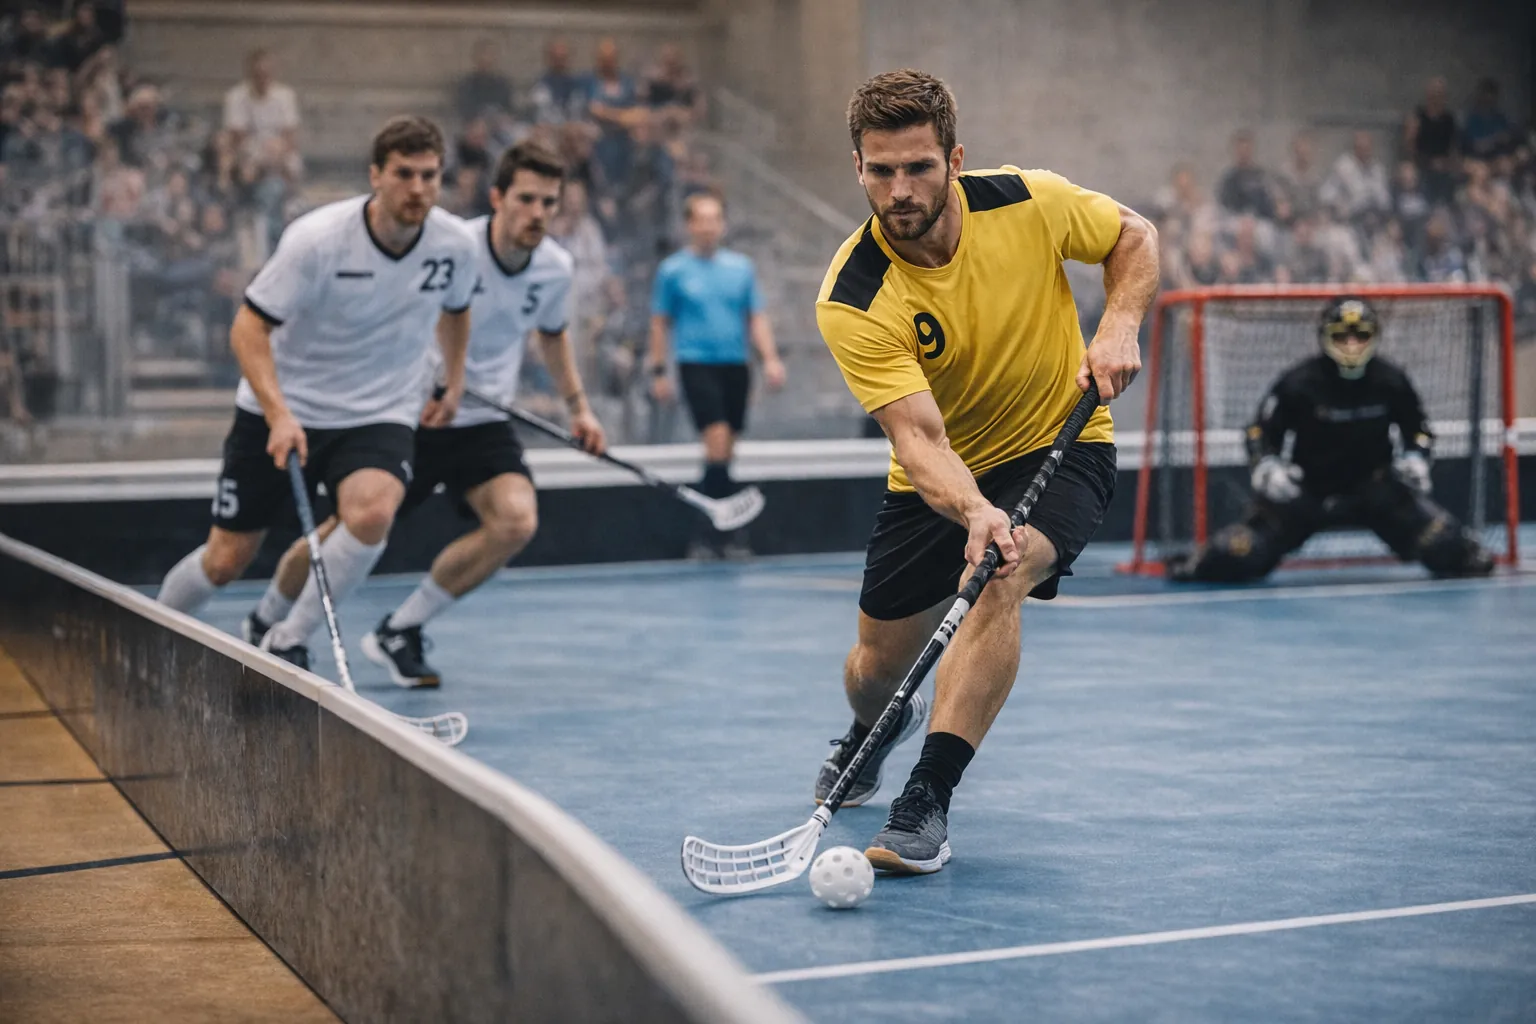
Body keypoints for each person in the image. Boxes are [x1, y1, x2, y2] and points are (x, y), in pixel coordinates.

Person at [813, 70, 1157, 874]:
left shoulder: (1027, 201)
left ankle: (924, 802)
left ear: (954, 160)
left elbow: (1133, 236)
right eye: (880, 170)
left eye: (918, 167)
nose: (899, 189)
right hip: (940, 479)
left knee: (1004, 575)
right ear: (857, 167)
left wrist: (1119, 324)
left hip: (1060, 443)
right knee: (873, 672)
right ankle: (872, 729)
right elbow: (920, 440)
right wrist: (972, 509)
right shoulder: (854, 295)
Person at [246, 140, 608, 688]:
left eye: (548, 203)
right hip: (410, 412)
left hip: (482, 420)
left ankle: (402, 629)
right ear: (497, 198)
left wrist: (580, 408)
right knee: (346, 530)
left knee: (516, 520)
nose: (537, 214)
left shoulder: (555, 268)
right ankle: (268, 619)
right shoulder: (450, 245)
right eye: (527, 199)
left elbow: (553, 337)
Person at [155, 116, 478, 672]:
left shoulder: (455, 243)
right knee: (227, 559)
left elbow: (456, 309)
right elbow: (248, 328)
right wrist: (280, 414)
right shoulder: (318, 240)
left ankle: (287, 638)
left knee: (374, 511)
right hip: (282, 409)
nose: (419, 189)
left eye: (430, 175)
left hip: (378, 411)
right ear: (376, 175)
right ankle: (152, 635)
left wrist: (453, 379)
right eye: (405, 174)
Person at [1167, 296, 1494, 584]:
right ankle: (1197, 561)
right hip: (1308, 491)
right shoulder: (1299, 382)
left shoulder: (1391, 380)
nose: (1351, 344)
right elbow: (1259, 431)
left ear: (1374, 337)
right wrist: (1267, 466)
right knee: (1234, 555)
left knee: (1450, 547)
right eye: (1342, 335)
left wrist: (1416, 458)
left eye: (1361, 335)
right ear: (1325, 336)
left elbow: (1418, 428)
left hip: (1377, 490)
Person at [647, 191, 785, 557]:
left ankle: (715, 530)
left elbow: (755, 317)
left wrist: (769, 358)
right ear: (689, 225)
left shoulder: (740, 268)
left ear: (722, 224)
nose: (708, 227)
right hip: (695, 365)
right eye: (700, 219)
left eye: (714, 219)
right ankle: (713, 533)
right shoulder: (673, 271)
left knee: (726, 449)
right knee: (718, 439)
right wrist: (659, 370)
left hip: (735, 366)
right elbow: (660, 323)